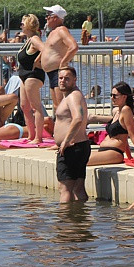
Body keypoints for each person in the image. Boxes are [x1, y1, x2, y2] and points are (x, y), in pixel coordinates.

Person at [53, 66, 89, 202]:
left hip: (72, 148)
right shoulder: (72, 95)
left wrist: (66, 140)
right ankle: (80, 218)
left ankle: (65, 221)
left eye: (67, 78)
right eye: (61, 78)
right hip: (79, 146)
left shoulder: (73, 96)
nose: (62, 81)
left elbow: (78, 118)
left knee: (65, 189)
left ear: (75, 80)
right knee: (78, 188)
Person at [87, 82, 134, 166]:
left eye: (115, 96)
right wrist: (129, 157)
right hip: (105, 151)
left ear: (124, 96)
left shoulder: (126, 110)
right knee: (75, 157)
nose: (112, 98)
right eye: (111, 95)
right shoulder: (117, 111)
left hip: (114, 152)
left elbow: (132, 136)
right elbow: (123, 136)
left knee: (81, 161)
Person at [41, 5, 78, 115]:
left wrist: (63, 62)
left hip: (58, 72)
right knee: (57, 105)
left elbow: (73, 46)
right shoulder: (53, 32)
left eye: (48, 16)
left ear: (55, 17)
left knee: (62, 104)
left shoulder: (62, 30)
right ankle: (59, 128)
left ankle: (66, 127)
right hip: (51, 72)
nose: (46, 18)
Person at [17, 14, 46, 143]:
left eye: (22, 24)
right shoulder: (28, 40)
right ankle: (31, 134)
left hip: (33, 75)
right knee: (24, 106)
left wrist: (37, 60)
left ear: (28, 25)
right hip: (24, 74)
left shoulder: (34, 39)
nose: (21, 26)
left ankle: (38, 137)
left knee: (36, 107)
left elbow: (45, 49)